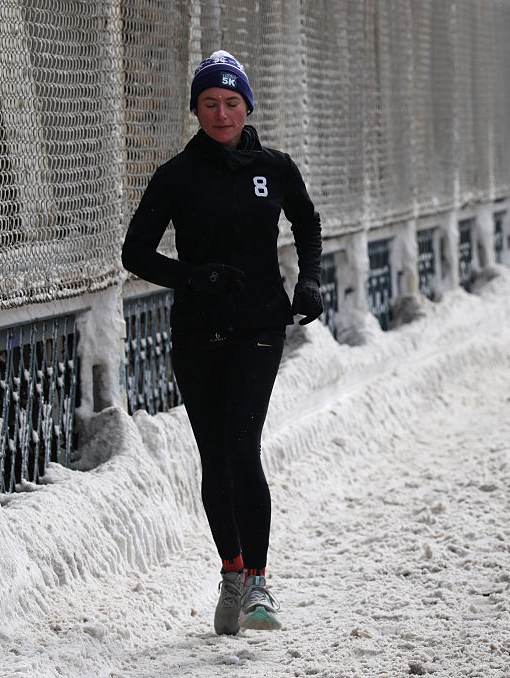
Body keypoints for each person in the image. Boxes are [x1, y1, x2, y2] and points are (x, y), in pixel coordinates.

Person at [121, 50, 324, 635]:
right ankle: (230, 573)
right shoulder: (176, 176)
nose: (220, 113)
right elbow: (135, 252)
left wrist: (308, 279)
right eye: (209, 103)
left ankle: (259, 583)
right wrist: (194, 276)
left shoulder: (275, 168)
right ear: (196, 109)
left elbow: (306, 222)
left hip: (260, 324)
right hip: (197, 330)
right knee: (214, 459)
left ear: (247, 106)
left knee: (241, 448)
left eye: (231, 102)